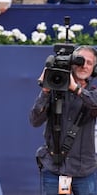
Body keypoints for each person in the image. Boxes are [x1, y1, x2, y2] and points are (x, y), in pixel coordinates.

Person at [29, 45, 97, 194]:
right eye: (80, 61)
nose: (84, 66)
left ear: (95, 69)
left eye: (89, 63)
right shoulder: (55, 87)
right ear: (72, 64)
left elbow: (94, 103)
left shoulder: (94, 91)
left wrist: (75, 88)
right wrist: (46, 90)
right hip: (55, 167)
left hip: (85, 170)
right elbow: (35, 120)